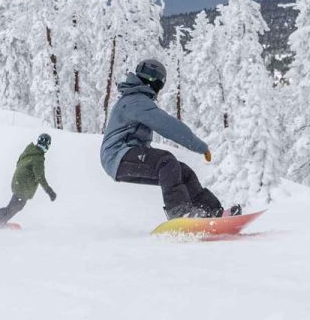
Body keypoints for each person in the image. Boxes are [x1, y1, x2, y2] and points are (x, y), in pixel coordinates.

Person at [100, 58, 240, 220]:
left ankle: (212, 212)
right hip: (117, 157)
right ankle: (179, 213)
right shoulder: (135, 101)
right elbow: (168, 126)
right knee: (166, 161)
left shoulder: (137, 99)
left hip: (125, 155)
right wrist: (199, 146)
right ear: (156, 82)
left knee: (183, 172)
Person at [0, 133, 56, 228]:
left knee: (13, 207)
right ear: (47, 145)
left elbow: (19, 162)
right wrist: (49, 190)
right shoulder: (38, 158)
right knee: (13, 208)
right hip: (23, 186)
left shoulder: (30, 150)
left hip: (17, 182)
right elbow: (40, 176)